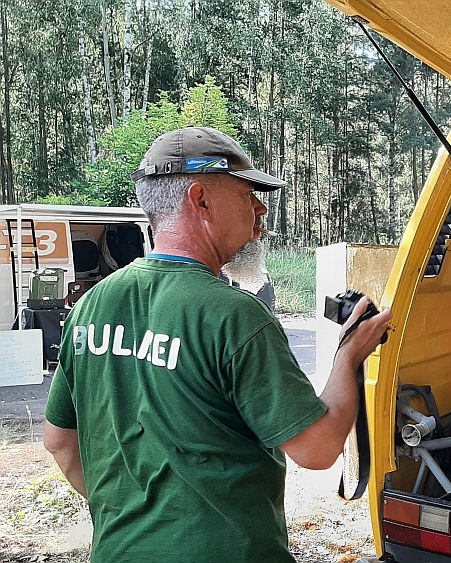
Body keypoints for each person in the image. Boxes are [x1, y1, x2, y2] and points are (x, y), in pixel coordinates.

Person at [43, 126, 392, 563]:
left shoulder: (92, 304)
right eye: (248, 194)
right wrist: (350, 355)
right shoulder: (234, 315)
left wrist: (135, 519)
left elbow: (59, 442)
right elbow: (317, 449)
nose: (261, 209)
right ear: (201, 200)